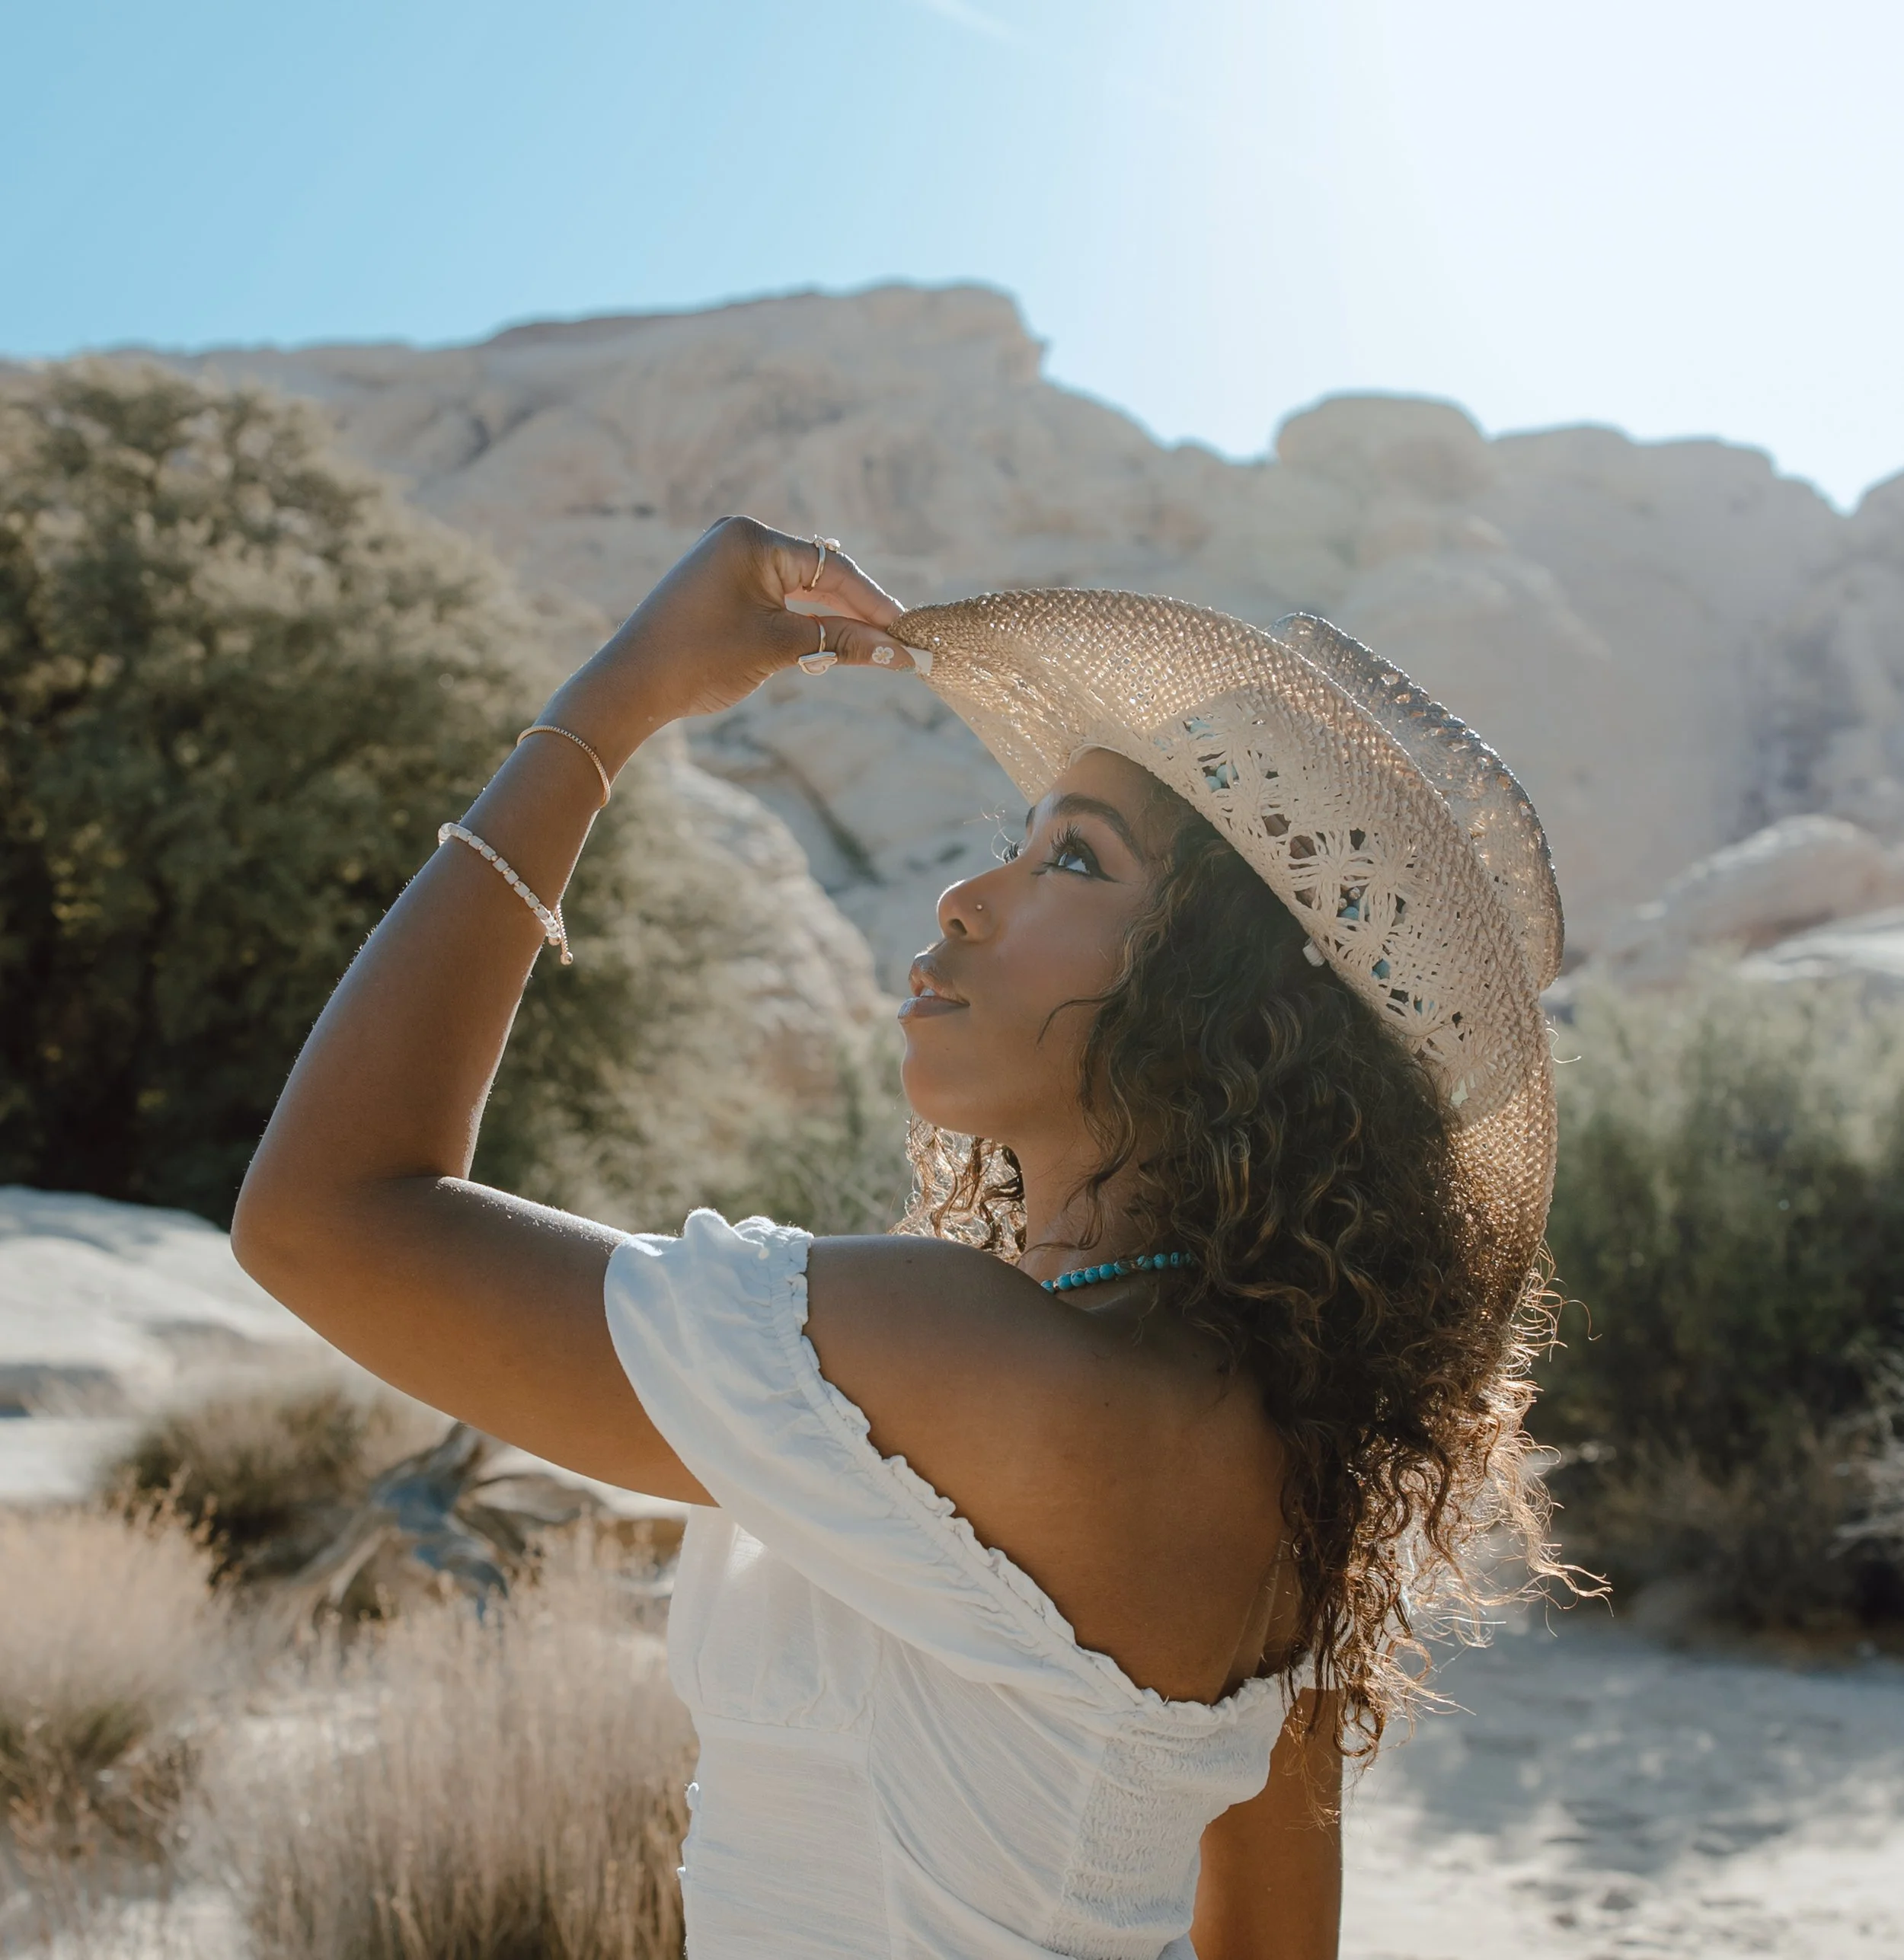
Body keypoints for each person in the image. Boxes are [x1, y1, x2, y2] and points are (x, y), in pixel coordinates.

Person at [233, 516, 1563, 1960]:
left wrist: (612, 706)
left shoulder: (975, 1360)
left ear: (1232, 1001)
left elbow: (324, 1215)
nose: (967, 893)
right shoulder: (1280, 1431)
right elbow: (1271, 1940)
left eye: (1074, 858)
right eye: (1018, 837)